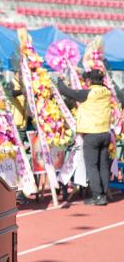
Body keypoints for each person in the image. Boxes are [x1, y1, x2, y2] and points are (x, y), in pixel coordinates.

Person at [58, 69, 111, 206]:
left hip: (92, 133)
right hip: (105, 132)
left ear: (90, 81)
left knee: (92, 166)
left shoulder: (88, 93)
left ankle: (98, 196)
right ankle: (104, 194)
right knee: (103, 165)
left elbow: (67, 92)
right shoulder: (106, 92)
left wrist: (59, 81)